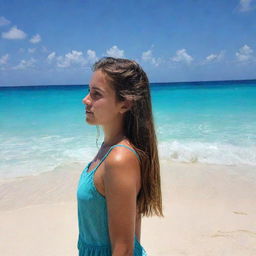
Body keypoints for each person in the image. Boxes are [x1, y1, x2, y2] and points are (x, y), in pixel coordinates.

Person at [77, 57, 164, 256]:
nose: (86, 99)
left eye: (95, 94)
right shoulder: (108, 149)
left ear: (124, 104)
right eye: (88, 90)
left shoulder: (119, 159)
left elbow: (124, 250)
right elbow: (133, 231)